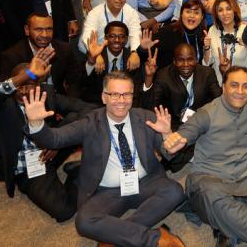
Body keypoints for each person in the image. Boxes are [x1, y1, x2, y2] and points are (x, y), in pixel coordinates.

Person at [25, 72, 186, 247]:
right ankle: (155, 239)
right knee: (84, 221)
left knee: (175, 191)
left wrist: (168, 137)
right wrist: (36, 124)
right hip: (107, 191)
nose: (121, 100)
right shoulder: (90, 122)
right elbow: (55, 139)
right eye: (114, 94)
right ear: (104, 97)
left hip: (144, 182)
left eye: (126, 94)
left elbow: (169, 153)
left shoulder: (146, 118)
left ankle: (116, 237)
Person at [164, 67, 247, 247]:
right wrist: (172, 141)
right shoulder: (207, 113)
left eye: (246, 86)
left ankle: (229, 228)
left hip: (243, 178)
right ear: (224, 87)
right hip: (209, 181)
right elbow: (185, 133)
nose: (240, 91)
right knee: (212, 193)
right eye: (234, 85)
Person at [0, 48, 92, 223]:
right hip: (27, 168)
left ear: (39, 85)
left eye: (30, 84)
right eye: (20, 85)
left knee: (76, 118)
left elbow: (88, 109)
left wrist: (57, 142)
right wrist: (28, 74)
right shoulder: (1, 106)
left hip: (51, 150)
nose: (24, 91)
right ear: (13, 85)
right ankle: (77, 173)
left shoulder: (46, 94)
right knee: (64, 212)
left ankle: (70, 166)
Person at [149, 43, 220, 171]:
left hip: (200, 123)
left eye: (190, 59)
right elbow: (154, 105)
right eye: (181, 60)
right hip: (174, 125)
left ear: (196, 59)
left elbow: (218, 101)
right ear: (174, 61)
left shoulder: (207, 73)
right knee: (168, 146)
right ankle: (191, 159)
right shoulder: (163, 76)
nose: (186, 64)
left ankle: (191, 158)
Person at [1, 12, 83, 97]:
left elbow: (75, 81)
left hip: (59, 99)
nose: (45, 35)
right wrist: (31, 73)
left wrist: (72, 102)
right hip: (28, 101)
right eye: (38, 29)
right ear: (27, 30)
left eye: (49, 29)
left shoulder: (64, 49)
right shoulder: (12, 55)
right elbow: (4, 89)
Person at [79, 0, 142, 71]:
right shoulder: (95, 13)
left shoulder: (131, 12)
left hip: (121, 52)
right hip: (96, 51)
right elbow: (88, 35)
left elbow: (135, 33)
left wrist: (134, 52)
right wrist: (96, 54)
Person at [204, 0, 247, 85]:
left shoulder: (246, 29)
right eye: (220, 10)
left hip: (242, 85)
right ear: (216, 14)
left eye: (228, 9)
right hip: (219, 85)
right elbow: (207, 63)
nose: (225, 13)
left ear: (235, 11)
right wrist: (206, 48)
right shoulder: (212, 30)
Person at [153, 0, 208, 68]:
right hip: (170, 74)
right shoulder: (167, 32)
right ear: (181, 14)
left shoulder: (204, 35)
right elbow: (149, 55)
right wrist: (143, 49)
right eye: (188, 12)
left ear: (202, 16)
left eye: (196, 13)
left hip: (196, 74)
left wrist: (207, 48)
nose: (192, 16)